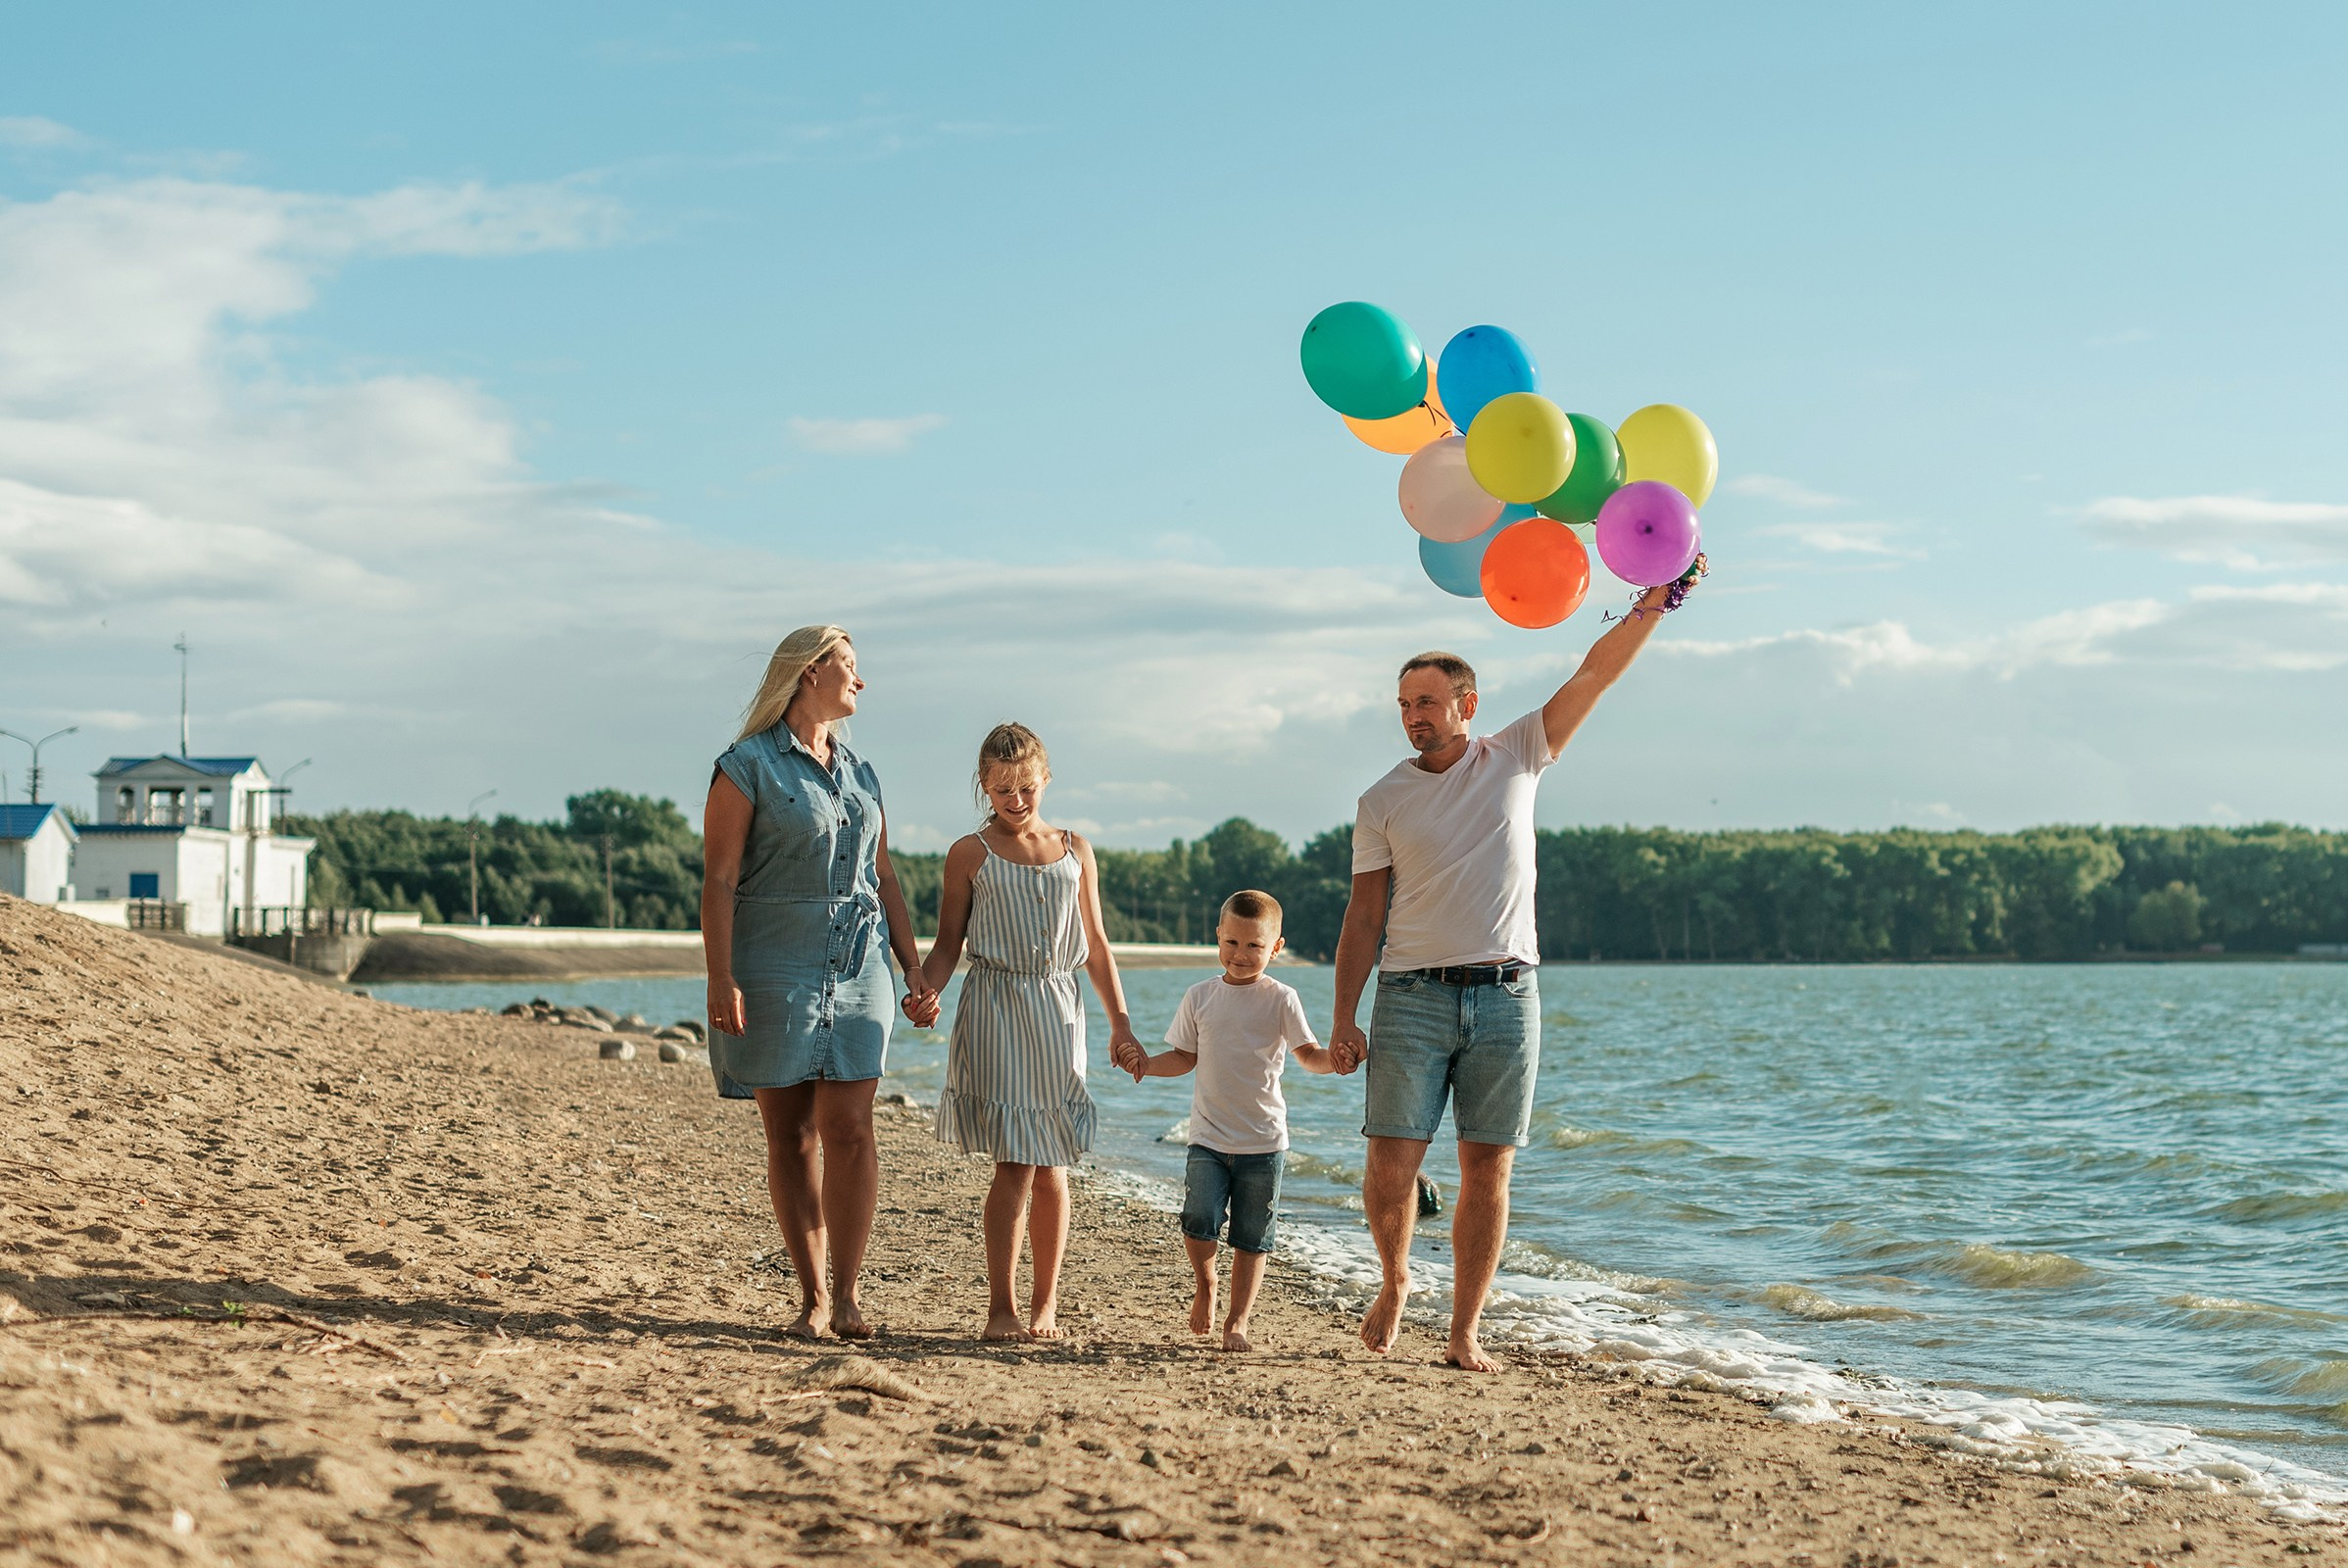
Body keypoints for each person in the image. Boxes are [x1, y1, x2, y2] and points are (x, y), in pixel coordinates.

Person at [1328, 564, 1702, 1372]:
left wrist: (1654, 604)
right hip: (1411, 997)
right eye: (1403, 705)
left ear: (1467, 703)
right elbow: (1362, 917)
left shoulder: (1519, 752)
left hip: (1507, 996)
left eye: (1426, 702)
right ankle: (1395, 1278)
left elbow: (1594, 672)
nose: (1412, 718)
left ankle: (1465, 1331)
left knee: (1486, 1169)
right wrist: (1341, 1019)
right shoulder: (1380, 799)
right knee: (1391, 1166)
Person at [701, 625, 938, 1341]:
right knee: (792, 1134)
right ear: (810, 673)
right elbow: (718, 879)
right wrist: (721, 975)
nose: (860, 682)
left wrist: (913, 966)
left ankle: (850, 1292)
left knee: (853, 1129)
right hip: (772, 959)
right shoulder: (744, 766)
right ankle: (813, 1299)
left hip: (860, 959)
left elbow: (885, 877)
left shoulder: (864, 773)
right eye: (851, 668)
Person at [921, 722, 1141, 1342]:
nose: (1016, 801)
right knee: (1016, 1162)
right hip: (995, 1007)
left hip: (1058, 1009)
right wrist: (926, 990)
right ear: (984, 787)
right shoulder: (970, 853)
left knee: (1054, 1165)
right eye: (1001, 790)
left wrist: (1120, 1023)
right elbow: (948, 945)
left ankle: (1045, 1306)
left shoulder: (1076, 848)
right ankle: (1001, 1308)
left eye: (1026, 787)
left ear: (1045, 778)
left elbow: (1096, 944)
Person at [1113, 889, 1334, 1351]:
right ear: (1218, 937)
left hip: (1265, 1142)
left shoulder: (1282, 998)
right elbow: (1183, 1056)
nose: (1241, 955)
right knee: (1198, 1218)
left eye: (1255, 946)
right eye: (1232, 942)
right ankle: (1206, 1283)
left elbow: (1308, 1055)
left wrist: (1336, 1060)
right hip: (1208, 1137)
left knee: (1253, 1236)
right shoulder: (1200, 996)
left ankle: (1238, 1321)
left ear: (1276, 947)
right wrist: (1145, 1065)